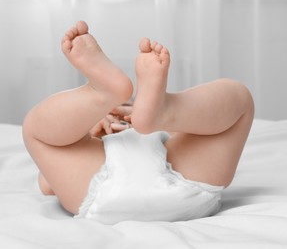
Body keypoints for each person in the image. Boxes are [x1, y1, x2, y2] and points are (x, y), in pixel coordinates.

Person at [23, 21, 254, 224]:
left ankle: (100, 94)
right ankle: (168, 109)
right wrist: (89, 129)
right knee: (239, 98)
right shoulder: (164, 137)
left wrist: (82, 135)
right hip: (188, 185)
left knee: (37, 131)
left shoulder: (162, 136)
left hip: (98, 190)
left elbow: (48, 182)